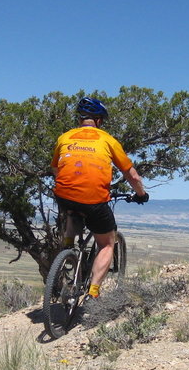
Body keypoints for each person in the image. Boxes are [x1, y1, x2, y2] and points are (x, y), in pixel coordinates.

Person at [51, 96, 148, 299]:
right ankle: (93, 291)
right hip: (94, 200)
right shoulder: (107, 140)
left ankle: (68, 244)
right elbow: (132, 175)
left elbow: (55, 168)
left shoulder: (65, 137)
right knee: (106, 244)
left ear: (80, 119)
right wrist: (141, 194)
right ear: (99, 121)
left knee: (71, 204)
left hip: (63, 194)